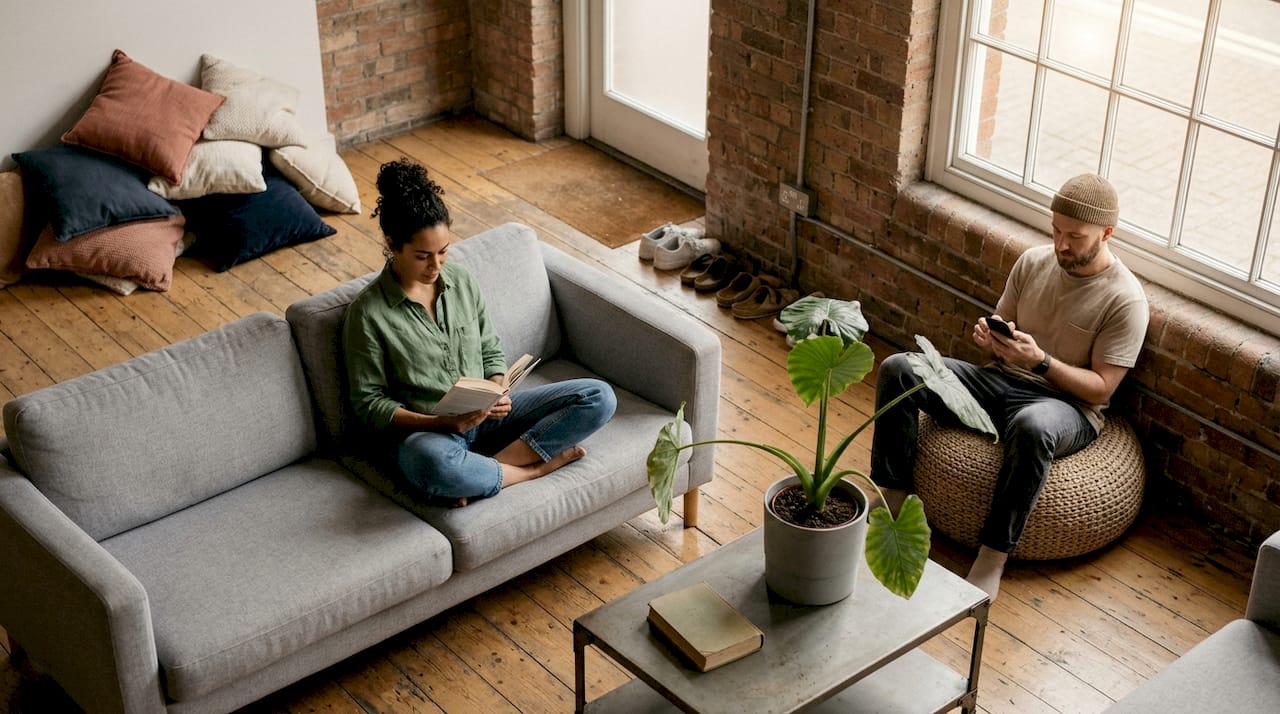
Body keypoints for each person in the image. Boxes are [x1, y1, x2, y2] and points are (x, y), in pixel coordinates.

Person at [870, 173, 1149, 600]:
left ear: (1107, 233)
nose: (1061, 245)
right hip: (1000, 380)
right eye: (1056, 230)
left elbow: (1100, 389)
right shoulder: (1033, 262)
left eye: (1075, 236)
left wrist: (1041, 362)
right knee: (900, 368)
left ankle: (993, 554)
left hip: (1066, 405)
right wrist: (992, 342)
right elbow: (1002, 337)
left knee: (1034, 426)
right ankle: (892, 492)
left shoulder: (1125, 300)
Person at [342, 158, 617, 506]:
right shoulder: (368, 314)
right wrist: (442, 422)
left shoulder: (461, 281)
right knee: (433, 466)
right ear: (393, 243)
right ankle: (530, 472)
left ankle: (486, 472)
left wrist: (499, 388)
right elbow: (369, 405)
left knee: (598, 397)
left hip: (489, 418)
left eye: (443, 252)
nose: (436, 266)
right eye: (422, 256)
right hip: (430, 435)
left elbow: (489, 349)